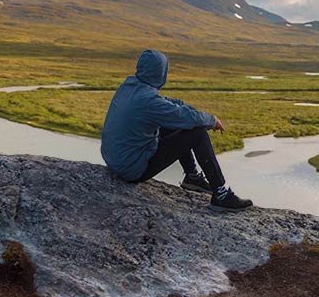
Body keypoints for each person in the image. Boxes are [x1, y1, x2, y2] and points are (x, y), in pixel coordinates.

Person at [101, 50, 253, 211]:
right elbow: (183, 117)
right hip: (132, 169)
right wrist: (212, 120)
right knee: (198, 133)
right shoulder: (148, 101)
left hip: (116, 161)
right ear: (160, 72)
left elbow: (167, 105)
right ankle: (221, 195)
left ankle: (192, 177)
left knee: (177, 124)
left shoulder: (129, 85)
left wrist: (184, 107)